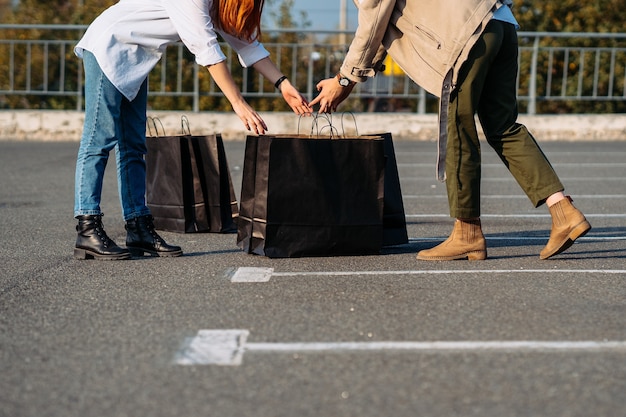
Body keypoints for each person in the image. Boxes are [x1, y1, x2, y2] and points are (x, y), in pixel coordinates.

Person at [311, 0, 590, 261]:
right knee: (503, 126)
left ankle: (467, 232)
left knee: (458, 128)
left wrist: (344, 78)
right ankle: (564, 211)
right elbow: (384, 28)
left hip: (466, 36)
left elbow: (374, 18)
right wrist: (350, 79)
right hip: (499, 21)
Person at [73, 0, 312, 260]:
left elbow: (245, 42)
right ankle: (87, 227)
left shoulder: (218, 3)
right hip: (109, 46)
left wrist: (283, 84)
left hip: (135, 59)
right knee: (99, 140)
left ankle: (138, 227)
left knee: (133, 145)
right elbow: (206, 48)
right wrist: (238, 103)